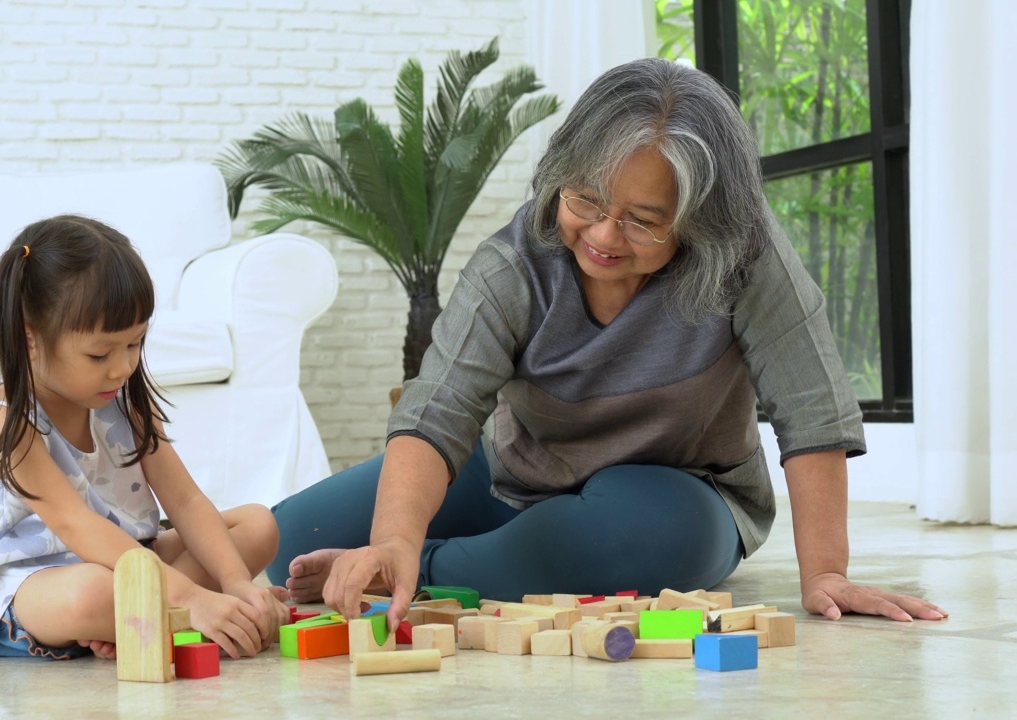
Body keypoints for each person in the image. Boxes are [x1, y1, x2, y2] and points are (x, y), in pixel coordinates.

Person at [268, 58, 947, 629]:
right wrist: (390, 536)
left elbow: (811, 406)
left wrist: (826, 571)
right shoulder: (513, 263)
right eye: (586, 201)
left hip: (681, 493)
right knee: (287, 548)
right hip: (518, 470)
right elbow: (437, 409)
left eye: (643, 221)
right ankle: (422, 561)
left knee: (643, 540)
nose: (603, 236)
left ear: (699, 221)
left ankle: (422, 574)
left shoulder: (745, 255)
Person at [0, 215, 289, 661]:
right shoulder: (5, 423)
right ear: (30, 338)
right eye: (100, 353)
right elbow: (77, 525)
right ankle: (157, 613)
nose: (122, 368)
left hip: (125, 560)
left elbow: (188, 503)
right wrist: (195, 598)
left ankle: (141, 619)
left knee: (256, 524)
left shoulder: (126, 401)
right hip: (25, 586)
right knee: (94, 592)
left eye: (135, 344)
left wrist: (236, 583)